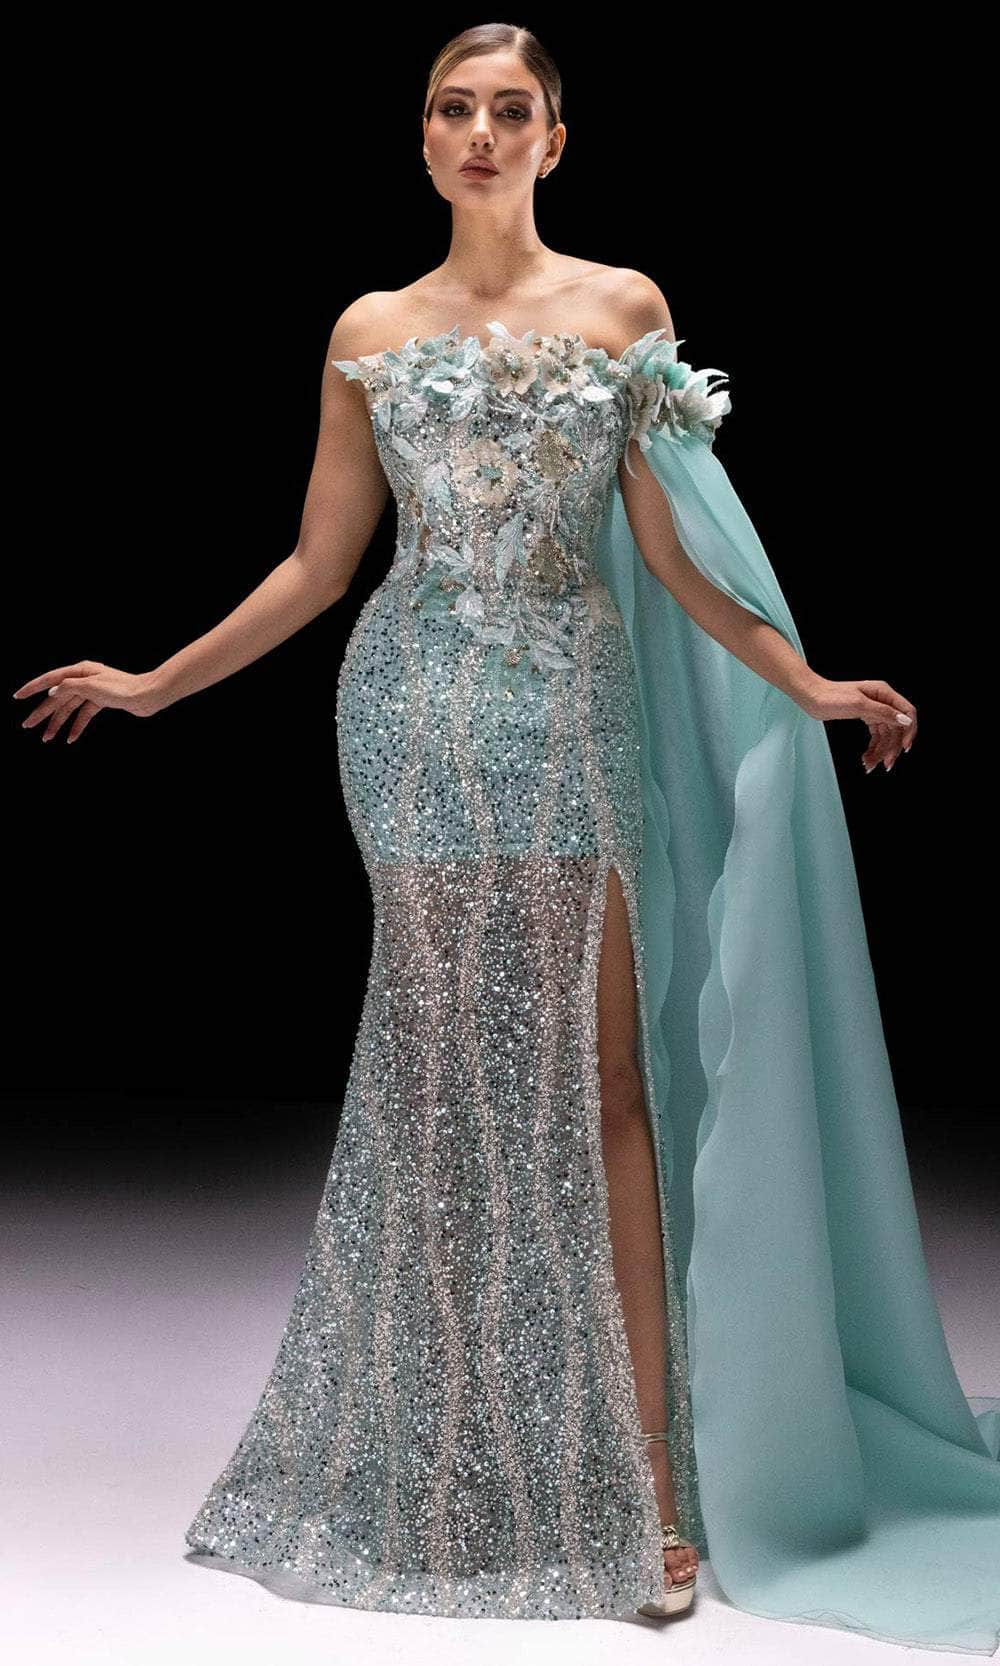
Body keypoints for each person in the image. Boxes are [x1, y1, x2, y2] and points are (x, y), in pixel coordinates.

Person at [15, 21, 999, 1650]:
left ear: (556, 139)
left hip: (569, 703)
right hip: (410, 711)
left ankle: (648, 1483)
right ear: (422, 139)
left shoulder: (622, 310)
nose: (481, 132)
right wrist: (153, 683)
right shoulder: (370, 327)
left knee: (605, 1082)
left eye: (512, 109)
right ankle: (460, 1464)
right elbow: (320, 564)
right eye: (454, 108)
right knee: (442, 1084)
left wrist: (804, 679)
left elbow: (673, 555)